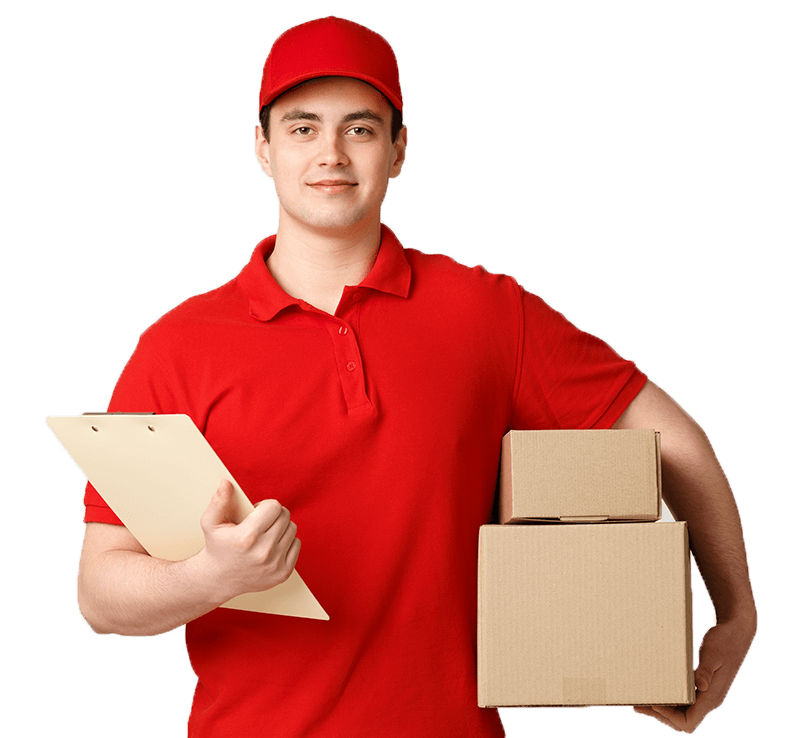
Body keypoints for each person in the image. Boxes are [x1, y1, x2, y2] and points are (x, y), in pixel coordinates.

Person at [75, 15, 756, 737]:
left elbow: (673, 441)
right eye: (302, 128)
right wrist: (206, 579)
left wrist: (736, 614)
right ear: (262, 148)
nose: (330, 153)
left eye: (360, 129)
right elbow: (100, 590)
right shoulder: (177, 347)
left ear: (400, 149)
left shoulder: (486, 314)